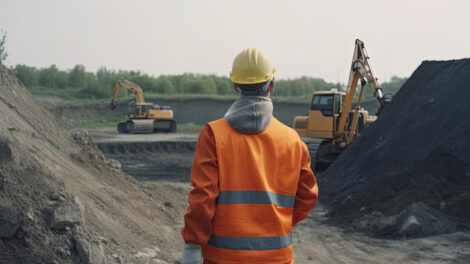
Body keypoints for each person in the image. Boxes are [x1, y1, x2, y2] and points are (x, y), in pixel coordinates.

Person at [181, 47, 318, 264]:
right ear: (271, 85)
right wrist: (277, 222)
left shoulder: (213, 135)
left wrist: (192, 243)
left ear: (236, 86)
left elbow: (203, 197)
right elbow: (308, 197)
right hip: (276, 258)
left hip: (221, 258)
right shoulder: (292, 140)